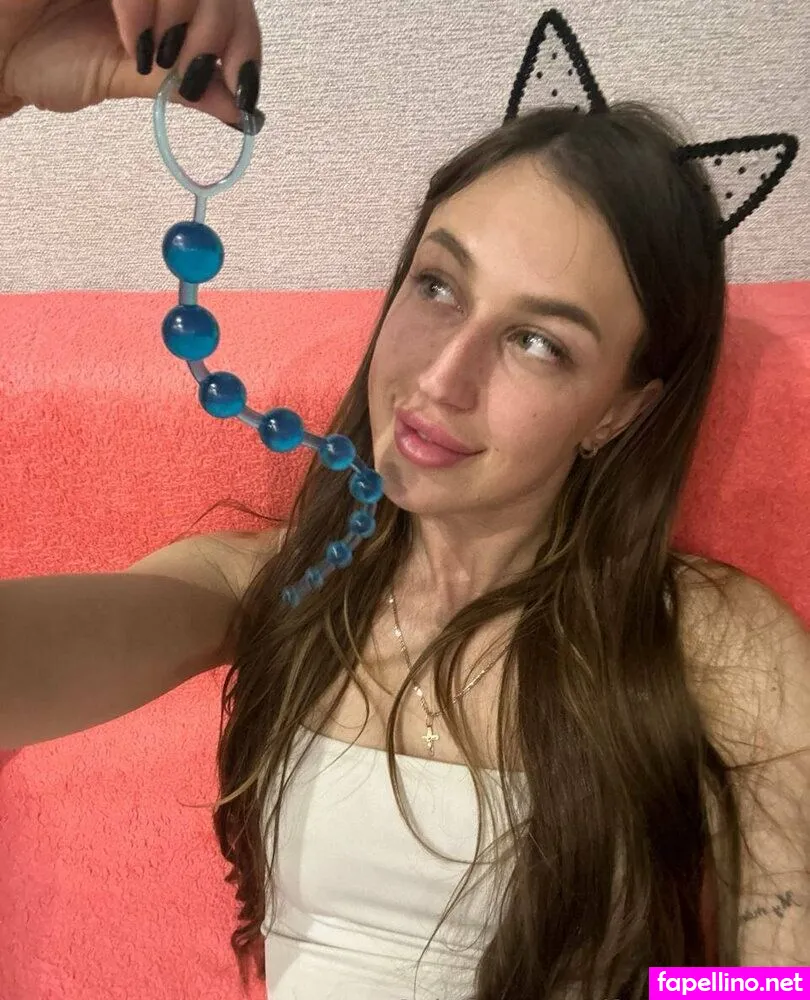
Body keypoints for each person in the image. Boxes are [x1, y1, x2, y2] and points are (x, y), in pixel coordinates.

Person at [1, 3, 808, 999]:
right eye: (437, 286)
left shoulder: (711, 641)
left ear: (620, 410)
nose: (441, 378)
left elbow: (786, 985)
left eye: (538, 343)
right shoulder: (272, 586)